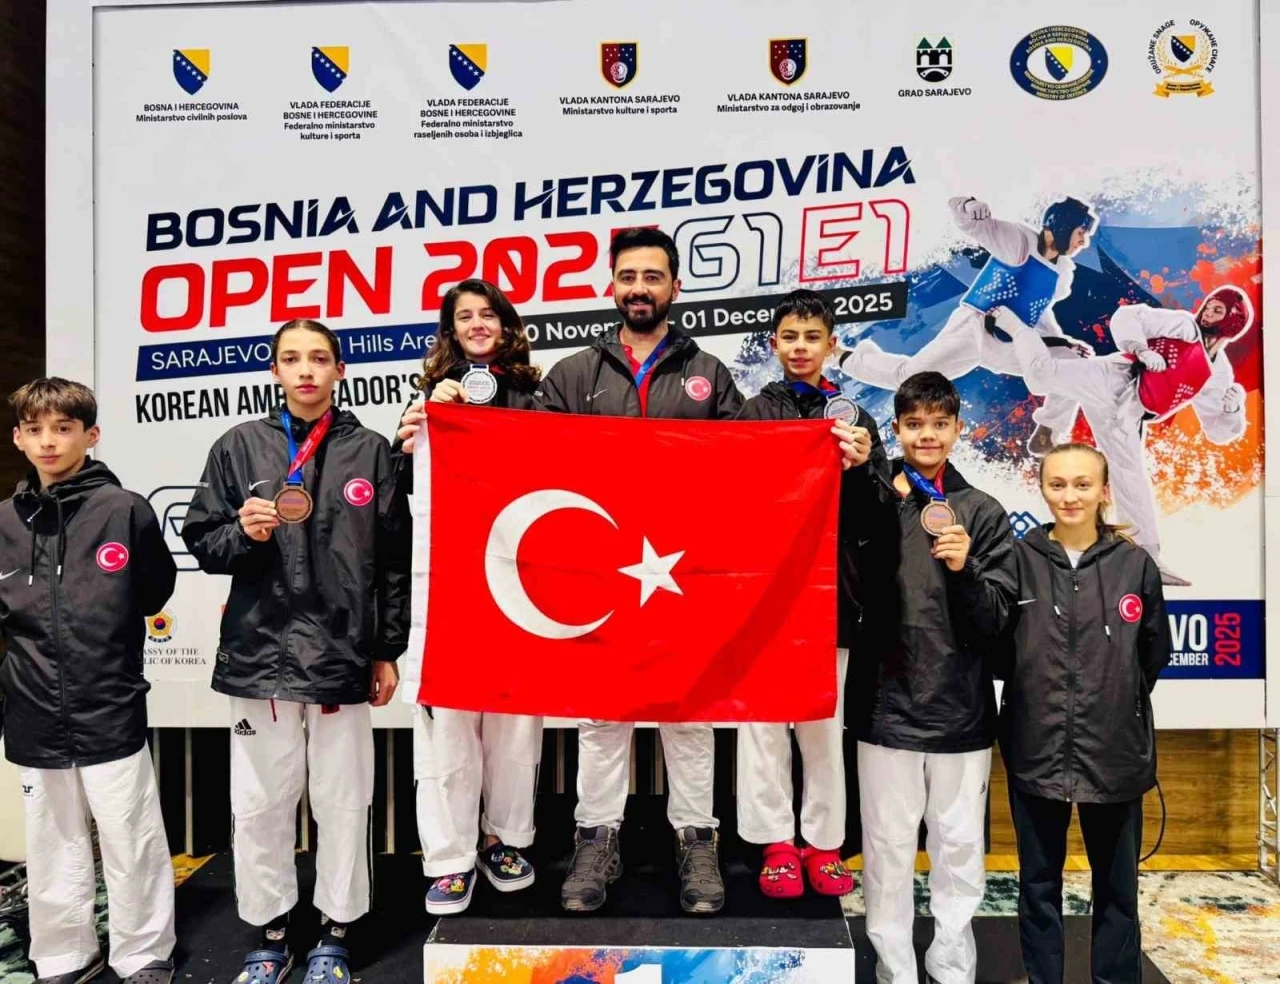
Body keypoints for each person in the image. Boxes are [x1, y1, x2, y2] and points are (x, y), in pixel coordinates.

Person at [181, 320, 409, 984]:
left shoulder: (371, 451)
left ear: (340, 370)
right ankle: (271, 932)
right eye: (291, 358)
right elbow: (202, 540)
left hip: (344, 653)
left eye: (318, 358)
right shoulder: (238, 445)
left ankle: (337, 930)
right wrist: (241, 534)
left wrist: (387, 649)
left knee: (344, 802)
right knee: (260, 807)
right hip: (262, 654)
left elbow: (394, 561)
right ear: (275, 370)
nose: (305, 369)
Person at [535, 226, 744, 915]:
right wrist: (446, 426)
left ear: (675, 287)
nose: (639, 288)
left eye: (653, 277)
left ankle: (697, 839)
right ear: (612, 285)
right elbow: (525, 463)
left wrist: (826, 450)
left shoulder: (709, 372)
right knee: (601, 716)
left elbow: (756, 462)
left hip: (686, 572)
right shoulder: (574, 375)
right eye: (628, 276)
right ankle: (595, 839)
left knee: (691, 713)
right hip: (601, 573)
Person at [0, 378, 177, 984]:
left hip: (108, 701)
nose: (49, 441)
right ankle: (63, 953)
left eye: (63, 428)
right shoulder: (4, 521)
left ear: (90, 434)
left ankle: (143, 952)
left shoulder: (124, 510)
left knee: (130, 835)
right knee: (51, 842)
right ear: (18, 439)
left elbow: (153, 591)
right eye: (36, 430)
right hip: (31, 707)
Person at [855, 371, 1017, 984]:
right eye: (915, 424)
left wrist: (964, 568)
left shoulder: (982, 512)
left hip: (961, 710)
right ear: (896, 428)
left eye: (939, 424)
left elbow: (997, 620)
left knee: (960, 850)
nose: (927, 435)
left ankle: (952, 968)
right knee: (887, 848)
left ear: (957, 429)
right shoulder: (873, 500)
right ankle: (894, 970)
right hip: (885, 705)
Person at [393, 280, 544, 915]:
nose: (477, 324)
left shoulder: (537, 398)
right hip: (452, 587)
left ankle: (503, 841)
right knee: (448, 729)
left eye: (488, 314)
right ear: (450, 330)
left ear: (506, 325)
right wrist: (418, 430)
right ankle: (450, 858)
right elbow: (401, 492)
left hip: (521, 584)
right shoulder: (431, 399)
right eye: (464, 317)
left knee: (515, 726)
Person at [734, 289, 886, 899]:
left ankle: (823, 843)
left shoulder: (855, 420)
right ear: (775, 344)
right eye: (791, 337)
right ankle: (774, 843)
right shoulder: (752, 413)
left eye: (812, 337)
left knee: (823, 724)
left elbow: (878, 516)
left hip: (831, 595)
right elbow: (729, 498)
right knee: (763, 726)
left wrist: (864, 467)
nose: (801, 348)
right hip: (764, 594)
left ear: (831, 345)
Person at [999, 443, 1169, 984]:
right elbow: (1000, 649)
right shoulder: (1017, 559)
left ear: (1103, 491)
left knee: (1117, 888)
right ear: (1042, 489)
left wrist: (1113, 702)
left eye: (1082, 484)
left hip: (1113, 752)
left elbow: (1152, 654)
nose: (1069, 496)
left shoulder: (1134, 565)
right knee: (1037, 885)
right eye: (1057, 484)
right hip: (1036, 748)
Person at [997, 286, 1253, 586]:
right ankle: (1017, 327)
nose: (1207, 312)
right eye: (1209, 305)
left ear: (1233, 322)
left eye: (1217, 310)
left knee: (1130, 475)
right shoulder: (1184, 326)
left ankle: (1145, 557)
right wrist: (1141, 348)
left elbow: (1219, 431)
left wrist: (1233, 409)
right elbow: (1128, 316)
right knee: (1041, 376)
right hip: (1115, 378)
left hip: (1129, 413)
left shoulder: (1218, 374)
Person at [841, 196, 1096, 455]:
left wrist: (1062, 343)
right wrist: (967, 205)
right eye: (1081, 233)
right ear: (1062, 226)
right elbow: (974, 225)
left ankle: (1049, 432)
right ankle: (845, 357)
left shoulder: (1062, 272)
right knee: (910, 379)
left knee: (1072, 364)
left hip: (1008, 342)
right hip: (972, 329)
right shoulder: (1018, 241)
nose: (1083, 242)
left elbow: (1038, 312)